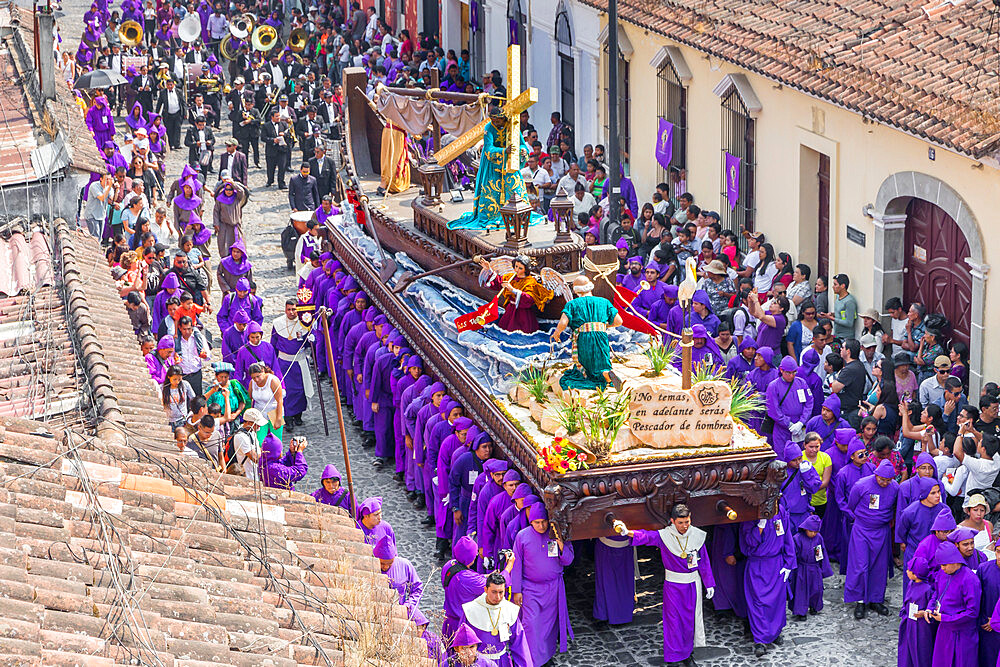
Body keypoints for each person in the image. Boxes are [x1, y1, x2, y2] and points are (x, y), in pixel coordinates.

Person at [622, 504, 715, 665]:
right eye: (680, 523)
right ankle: (673, 658)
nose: (684, 526)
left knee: (689, 621)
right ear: (672, 521)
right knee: (673, 622)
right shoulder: (665, 536)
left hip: (693, 584)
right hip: (673, 586)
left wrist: (709, 584)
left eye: (687, 521)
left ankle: (687, 655)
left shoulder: (696, 535)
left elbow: (704, 562)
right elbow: (646, 536)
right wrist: (627, 532)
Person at [451, 107, 544, 231]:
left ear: (503, 118)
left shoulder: (513, 127)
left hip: (510, 165)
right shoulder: (488, 128)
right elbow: (488, 149)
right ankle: (492, 216)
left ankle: (519, 215)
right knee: (491, 193)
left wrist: (523, 151)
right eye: (493, 120)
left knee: (515, 190)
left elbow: (522, 144)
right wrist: (504, 151)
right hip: (493, 166)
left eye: (498, 120)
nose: (495, 123)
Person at [511, 504, 573, 666]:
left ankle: (545, 657)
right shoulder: (522, 537)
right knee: (531, 624)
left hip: (553, 588)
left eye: (544, 521)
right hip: (530, 589)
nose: (541, 526)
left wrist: (560, 545)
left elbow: (568, 560)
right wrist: (516, 591)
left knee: (548, 627)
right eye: (537, 522)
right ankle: (532, 659)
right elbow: (516, 566)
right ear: (531, 522)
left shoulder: (556, 534)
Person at [845, 459, 899, 619]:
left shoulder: (895, 488)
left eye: (888, 480)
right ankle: (860, 600)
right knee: (860, 565)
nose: (884, 483)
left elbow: (895, 507)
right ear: (876, 474)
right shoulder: (861, 485)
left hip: (882, 531)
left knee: (879, 566)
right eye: (882, 479)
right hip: (862, 529)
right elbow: (852, 504)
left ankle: (876, 599)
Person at [740, 505, 795, 657]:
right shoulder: (750, 512)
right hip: (758, 564)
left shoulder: (781, 510)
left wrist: (789, 562)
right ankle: (760, 640)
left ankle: (775, 632)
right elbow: (749, 541)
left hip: (776, 563)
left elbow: (787, 536)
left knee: (776, 602)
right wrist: (760, 526)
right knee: (757, 602)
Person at [551, 276, 624, 391]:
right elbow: (619, 321)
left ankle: (603, 376)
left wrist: (556, 333)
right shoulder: (604, 302)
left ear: (576, 290)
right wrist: (601, 326)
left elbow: (563, 322)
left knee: (586, 366)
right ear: (590, 287)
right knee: (601, 360)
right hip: (601, 335)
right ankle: (606, 374)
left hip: (584, 337)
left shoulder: (572, 304)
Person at [461, 571, 532, 666]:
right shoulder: (470, 610)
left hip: (502, 661)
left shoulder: (510, 610)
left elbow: (519, 644)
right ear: (485, 589)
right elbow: (462, 643)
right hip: (478, 662)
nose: (498, 597)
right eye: (494, 592)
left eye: (501, 592)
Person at [929, 541, 981, 666]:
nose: (942, 568)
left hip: (963, 633)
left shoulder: (970, 579)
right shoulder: (943, 573)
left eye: (945, 565)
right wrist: (929, 608)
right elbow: (936, 593)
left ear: (955, 561)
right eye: (941, 565)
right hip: (944, 630)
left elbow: (972, 612)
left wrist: (946, 618)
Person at [475, 255, 553, 334]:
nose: (516, 270)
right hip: (511, 309)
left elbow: (529, 298)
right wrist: (489, 270)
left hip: (523, 313)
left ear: (526, 269)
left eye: (520, 268)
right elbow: (498, 282)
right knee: (504, 329)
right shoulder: (511, 277)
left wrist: (512, 289)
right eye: (516, 266)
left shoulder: (530, 281)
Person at [271, 299, 313, 431]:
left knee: (300, 390)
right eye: (289, 309)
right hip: (283, 363)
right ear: (285, 310)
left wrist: (312, 340)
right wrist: (272, 364)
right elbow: (273, 344)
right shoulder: (278, 323)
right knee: (286, 391)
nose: (291, 312)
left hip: (300, 362)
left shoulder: (304, 323)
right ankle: (288, 418)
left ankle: (298, 415)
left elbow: (308, 343)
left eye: (294, 309)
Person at [373, 535, 427, 628]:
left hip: (400, 612)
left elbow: (417, 589)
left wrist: (408, 605)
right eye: (382, 563)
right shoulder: (368, 565)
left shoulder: (405, 565)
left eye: (390, 563)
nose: (385, 567)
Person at [789, 514, 833, 621]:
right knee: (801, 590)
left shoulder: (819, 538)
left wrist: (824, 569)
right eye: (811, 531)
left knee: (816, 589)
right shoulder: (797, 539)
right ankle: (801, 611)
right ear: (805, 528)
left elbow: (822, 553)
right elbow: (793, 555)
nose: (813, 534)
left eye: (816, 532)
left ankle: (814, 606)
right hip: (802, 569)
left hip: (815, 568)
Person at [765, 356, 813, 454]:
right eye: (788, 373)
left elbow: (809, 403)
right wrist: (789, 424)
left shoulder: (801, 383)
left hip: (800, 428)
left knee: (799, 456)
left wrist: (801, 423)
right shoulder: (773, 386)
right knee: (782, 458)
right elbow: (773, 410)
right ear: (781, 370)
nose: (791, 376)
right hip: (782, 429)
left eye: (794, 372)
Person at [780, 442, 822, 531]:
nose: (798, 462)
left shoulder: (806, 467)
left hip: (804, 514)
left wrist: (807, 474)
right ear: (787, 460)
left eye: (800, 458)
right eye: (794, 460)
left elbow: (814, 488)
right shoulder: (781, 471)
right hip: (788, 515)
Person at [231, 408, 266, 479]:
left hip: (255, 473)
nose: (259, 426)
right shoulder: (241, 437)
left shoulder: (251, 431)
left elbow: (258, 448)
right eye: (257, 424)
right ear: (249, 423)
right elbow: (255, 458)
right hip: (248, 475)